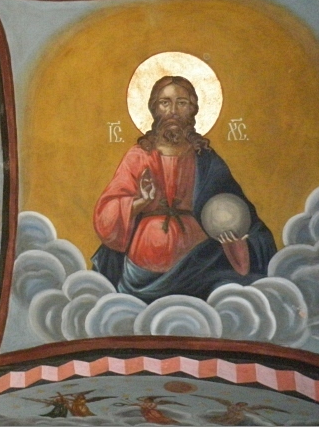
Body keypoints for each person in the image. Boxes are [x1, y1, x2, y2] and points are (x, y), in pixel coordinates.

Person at [92, 76, 276, 303]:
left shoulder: (205, 159)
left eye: (181, 103)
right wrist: (141, 202)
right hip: (141, 269)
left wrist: (234, 236)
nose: (173, 111)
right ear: (154, 109)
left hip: (200, 265)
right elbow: (107, 212)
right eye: (165, 103)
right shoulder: (138, 156)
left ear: (193, 110)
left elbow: (238, 210)